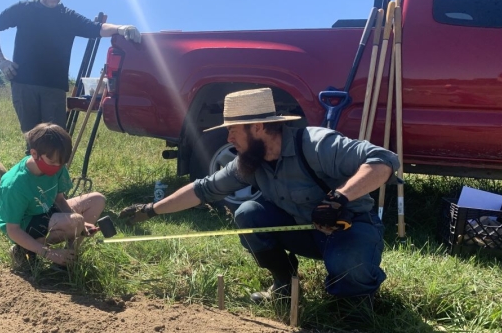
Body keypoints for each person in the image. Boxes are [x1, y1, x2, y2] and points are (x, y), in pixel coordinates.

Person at [119, 88, 399, 305]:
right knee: (248, 214)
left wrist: (339, 198)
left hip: (350, 227)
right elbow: (202, 189)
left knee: (350, 268)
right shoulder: (249, 162)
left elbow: (383, 160)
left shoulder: (315, 143)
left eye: (232, 130)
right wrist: (151, 209)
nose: (228, 138)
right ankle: (284, 285)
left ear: (257, 127)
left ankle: (355, 305)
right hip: (305, 230)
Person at [0, 0, 142, 134]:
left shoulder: (68, 17)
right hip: (24, 84)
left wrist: (121, 28)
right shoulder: (23, 8)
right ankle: (31, 158)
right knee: (31, 136)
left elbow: (97, 28)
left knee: (55, 139)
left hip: (54, 87)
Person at [0, 123, 106, 269]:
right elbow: (12, 230)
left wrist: (80, 226)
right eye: (52, 162)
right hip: (25, 225)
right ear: (34, 154)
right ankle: (24, 250)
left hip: (47, 210)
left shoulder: (58, 166)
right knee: (75, 221)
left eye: (61, 163)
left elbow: (59, 199)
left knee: (97, 200)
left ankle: (69, 258)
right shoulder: (14, 184)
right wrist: (49, 253)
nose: (57, 167)